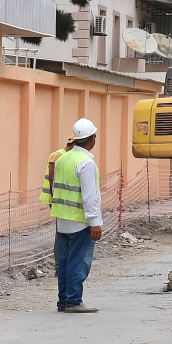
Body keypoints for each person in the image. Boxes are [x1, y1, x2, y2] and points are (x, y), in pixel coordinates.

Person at [40, 118, 104, 313]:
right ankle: (74, 300)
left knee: (65, 261)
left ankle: (64, 301)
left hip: (62, 219)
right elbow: (89, 196)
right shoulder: (86, 163)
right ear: (92, 138)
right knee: (78, 261)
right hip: (80, 221)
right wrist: (95, 223)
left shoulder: (62, 158)